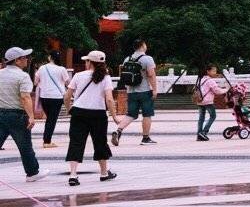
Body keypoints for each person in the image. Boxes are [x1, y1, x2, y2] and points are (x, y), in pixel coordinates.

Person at [64, 50, 118, 186]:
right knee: (100, 142)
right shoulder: (106, 78)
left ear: (89, 62)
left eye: (86, 61)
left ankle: (73, 175)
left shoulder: (78, 75)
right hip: (98, 114)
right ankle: (104, 173)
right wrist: (115, 116)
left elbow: (67, 96)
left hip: (79, 113)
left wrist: (69, 109)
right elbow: (110, 100)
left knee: (76, 142)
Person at [0, 47, 42, 180]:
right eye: (24, 57)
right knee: (25, 146)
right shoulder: (23, 76)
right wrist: (31, 116)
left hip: (1, 113)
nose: (27, 59)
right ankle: (32, 173)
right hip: (17, 115)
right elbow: (25, 97)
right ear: (17, 61)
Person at [112, 39, 158, 145]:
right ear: (142, 45)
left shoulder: (127, 59)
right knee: (147, 114)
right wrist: (155, 89)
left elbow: (123, 74)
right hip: (144, 91)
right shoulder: (147, 59)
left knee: (131, 114)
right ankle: (145, 138)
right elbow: (151, 75)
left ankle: (118, 130)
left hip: (131, 91)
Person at [33, 54, 69, 148]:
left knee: (50, 118)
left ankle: (47, 139)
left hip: (44, 97)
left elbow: (35, 82)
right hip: (57, 97)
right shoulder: (62, 69)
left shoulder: (42, 68)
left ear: (50, 58)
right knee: (51, 119)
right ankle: (47, 141)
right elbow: (68, 83)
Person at [195, 65, 227, 141]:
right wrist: (226, 90)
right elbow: (217, 91)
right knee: (213, 116)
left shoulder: (201, 79)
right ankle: (204, 132)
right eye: (213, 71)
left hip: (200, 100)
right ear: (208, 71)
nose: (215, 73)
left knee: (201, 118)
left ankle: (199, 134)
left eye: (215, 71)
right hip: (207, 101)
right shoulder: (210, 81)